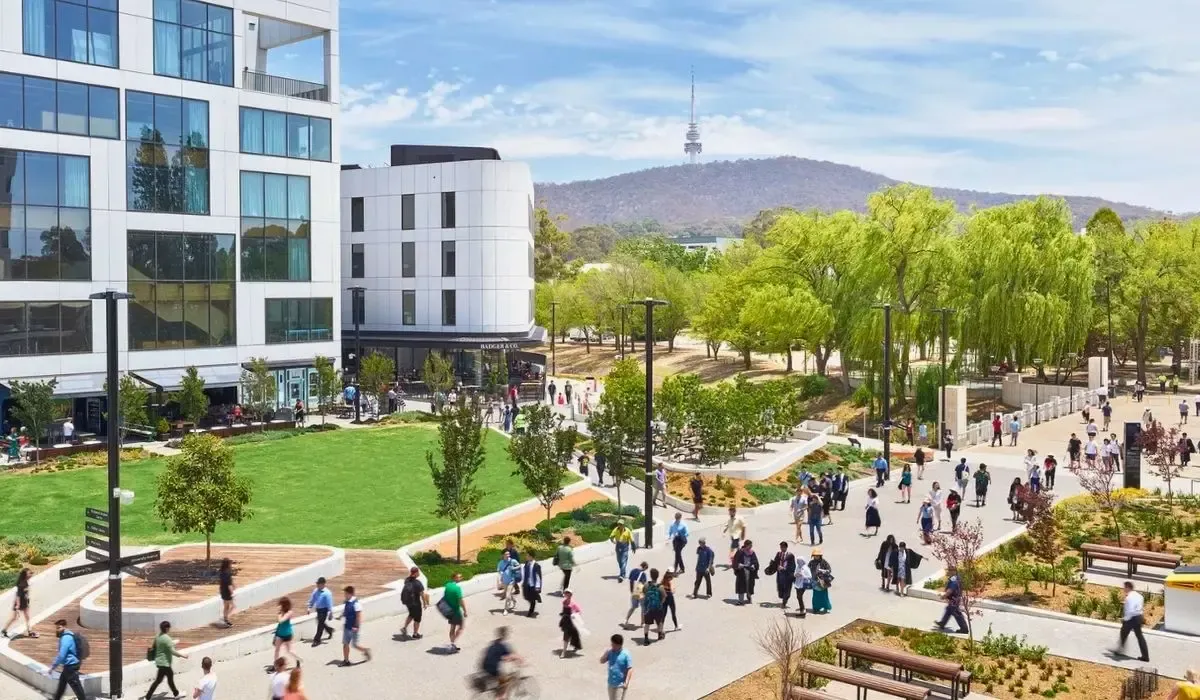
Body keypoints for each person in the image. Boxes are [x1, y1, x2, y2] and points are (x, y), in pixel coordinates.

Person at [145, 620, 188, 700]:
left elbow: (158, 646)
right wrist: (183, 656)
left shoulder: (158, 636)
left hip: (159, 662)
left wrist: (172, 643)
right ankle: (176, 694)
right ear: (167, 628)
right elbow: (173, 651)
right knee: (169, 679)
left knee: (159, 680)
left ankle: (148, 696)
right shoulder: (167, 638)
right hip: (165, 663)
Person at [479, 626, 523, 700]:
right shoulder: (503, 646)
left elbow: (500, 656)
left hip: (484, 666)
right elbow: (512, 656)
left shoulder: (493, 643)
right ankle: (500, 697)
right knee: (505, 682)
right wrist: (520, 661)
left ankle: (497, 690)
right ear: (505, 635)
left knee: (500, 678)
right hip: (492, 669)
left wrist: (506, 658)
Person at [47, 619, 85, 700]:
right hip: (68, 665)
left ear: (64, 627)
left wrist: (53, 667)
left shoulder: (66, 638)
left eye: (59, 628)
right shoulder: (67, 636)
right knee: (62, 684)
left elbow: (61, 655)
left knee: (76, 687)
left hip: (71, 665)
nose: (57, 630)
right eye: (56, 628)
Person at [1113, 581, 1150, 662]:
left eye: (1124, 587)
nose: (1123, 589)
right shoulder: (1140, 596)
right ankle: (1145, 656)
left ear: (1128, 587)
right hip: (1139, 617)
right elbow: (1138, 607)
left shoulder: (1129, 597)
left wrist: (1125, 619)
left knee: (1123, 632)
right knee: (1140, 637)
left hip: (1131, 618)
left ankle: (1120, 650)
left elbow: (1130, 610)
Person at [933, 565, 970, 633]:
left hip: (954, 599)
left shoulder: (953, 579)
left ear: (953, 571)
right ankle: (942, 623)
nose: (948, 572)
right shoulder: (957, 577)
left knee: (957, 613)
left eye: (949, 570)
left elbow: (950, 590)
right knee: (948, 610)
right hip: (955, 598)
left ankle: (964, 629)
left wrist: (944, 596)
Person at [1, 568, 35, 638]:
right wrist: (18, 606)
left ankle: (30, 631)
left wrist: (27, 600)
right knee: (14, 618)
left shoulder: (26, 582)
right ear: (25, 575)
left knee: (27, 617)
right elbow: (18, 595)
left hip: (25, 603)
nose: (31, 574)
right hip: (19, 604)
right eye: (30, 573)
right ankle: (4, 631)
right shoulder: (21, 584)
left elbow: (25, 593)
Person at [601, 634, 633, 700]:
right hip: (611, 682)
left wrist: (626, 682)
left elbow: (630, 669)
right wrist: (606, 653)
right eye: (612, 643)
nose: (612, 645)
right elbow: (602, 661)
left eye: (613, 644)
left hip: (620, 684)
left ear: (619, 645)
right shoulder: (610, 652)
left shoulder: (626, 654)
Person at [399, 566, 427, 640]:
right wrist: (424, 603)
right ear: (416, 573)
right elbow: (422, 594)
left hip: (408, 603)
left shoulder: (407, 580)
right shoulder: (418, 583)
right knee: (417, 619)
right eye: (418, 572)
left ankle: (404, 628)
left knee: (411, 614)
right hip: (416, 603)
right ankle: (415, 634)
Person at [768, 541, 797, 611]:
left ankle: (784, 602)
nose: (782, 548)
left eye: (783, 547)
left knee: (787, 589)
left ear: (786, 547)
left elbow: (793, 566)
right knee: (780, 588)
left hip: (787, 574)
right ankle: (783, 598)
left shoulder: (790, 555)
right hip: (780, 574)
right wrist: (773, 565)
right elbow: (775, 562)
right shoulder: (778, 554)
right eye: (781, 547)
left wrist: (785, 568)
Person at [305, 576, 334, 647]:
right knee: (320, 622)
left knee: (320, 625)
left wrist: (330, 612)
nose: (317, 585)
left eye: (319, 584)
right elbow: (312, 599)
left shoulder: (327, 593)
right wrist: (309, 608)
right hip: (318, 610)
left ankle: (317, 640)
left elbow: (329, 604)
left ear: (323, 584)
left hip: (324, 610)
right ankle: (329, 630)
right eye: (317, 583)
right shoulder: (316, 591)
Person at [442, 572, 467, 653]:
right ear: (454, 578)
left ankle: (452, 643)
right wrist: (465, 610)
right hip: (456, 611)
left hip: (449, 609)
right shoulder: (457, 588)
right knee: (461, 627)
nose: (461, 578)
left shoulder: (447, 585)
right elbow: (461, 601)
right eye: (459, 577)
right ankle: (452, 643)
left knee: (452, 627)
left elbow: (445, 596)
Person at [640, 568, 666, 643]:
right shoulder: (660, 586)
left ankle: (646, 638)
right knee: (659, 623)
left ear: (651, 576)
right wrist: (661, 603)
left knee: (647, 624)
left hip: (648, 608)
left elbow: (644, 593)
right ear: (657, 576)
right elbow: (664, 597)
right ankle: (660, 635)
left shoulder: (646, 585)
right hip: (658, 608)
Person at [733, 540, 760, 605]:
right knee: (741, 586)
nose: (751, 547)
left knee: (749, 585)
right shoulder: (740, 552)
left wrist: (754, 565)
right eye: (750, 545)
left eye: (751, 545)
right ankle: (740, 601)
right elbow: (735, 561)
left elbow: (755, 561)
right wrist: (738, 565)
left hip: (750, 571)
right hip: (741, 571)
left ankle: (749, 597)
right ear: (746, 545)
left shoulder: (752, 552)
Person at [623, 562, 650, 627]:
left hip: (633, 592)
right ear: (644, 567)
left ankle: (626, 620)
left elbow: (630, 581)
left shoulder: (632, 571)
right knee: (643, 608)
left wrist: (632, 591)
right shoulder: (643, 574)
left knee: (633, 607)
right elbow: (644, 585)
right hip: (640, 593)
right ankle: (642, 623)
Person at [273, 597, 298, 666]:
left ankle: (298, 659)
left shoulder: (289, 612)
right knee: (277, 650)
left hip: (287, 634)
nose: (279, 606)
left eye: (280, 604)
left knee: (289, 651)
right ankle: (276, 665)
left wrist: (279, 614)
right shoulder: (282, 612)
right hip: (279, 634)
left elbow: (281, 621)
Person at [559, 589, 583, 658]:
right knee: (566, 636)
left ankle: (573, 647)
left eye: (569, 594)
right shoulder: (563, 602)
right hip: (565, 621)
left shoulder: (573, 603)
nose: (567, 595)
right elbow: (564, 610)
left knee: (573, 634)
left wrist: (574, 615)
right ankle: (564, 651)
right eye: (566, 593)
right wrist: (562, 613)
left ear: (571, 595)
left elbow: (579, 611)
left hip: (572, 621)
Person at [809, 549, 833, 614]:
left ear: (820, 556)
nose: (816, 557)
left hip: (823, 581)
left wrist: (823, 571)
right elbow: (807, 570)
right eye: (815, 555)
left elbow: (829, 570)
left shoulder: (824, 562)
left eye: (817, 555)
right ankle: (816, 608)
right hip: (814, 581)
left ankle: (826, 607)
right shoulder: (811, 562)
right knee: (815, 596)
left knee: (824, 595)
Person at [521, 553, 543, 617]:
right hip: (526, 583)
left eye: (527, 556)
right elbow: (524, 573)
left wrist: (538, 586)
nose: (526, 557)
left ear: (531, 557)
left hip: (533, 584)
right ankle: (534, 600)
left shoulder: (536, 565)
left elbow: (538, 577)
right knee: (526, 596)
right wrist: (523, 581)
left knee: (532, 598)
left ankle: (531, 610)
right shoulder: (526, 563)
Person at [218, 558, 235, 627]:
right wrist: (232, 592)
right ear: (228, 565)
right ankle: (225, 618)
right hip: (227, 592)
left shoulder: (222, 572)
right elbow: (229, 584)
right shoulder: (227, 573)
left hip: (222, 591)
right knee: (233, 606)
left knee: (226, 606)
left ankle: (225, 619)